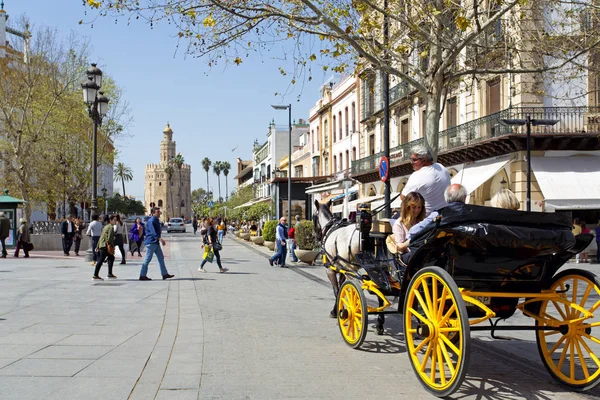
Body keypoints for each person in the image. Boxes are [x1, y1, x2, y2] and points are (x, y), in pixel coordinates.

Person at [403, 184, 468, 262]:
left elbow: (416, 230)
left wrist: (408, 238)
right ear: (464, 198)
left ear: (446, 199)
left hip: (443, 254)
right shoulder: (473, 213)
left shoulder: (439, 214)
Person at [401, 145, 451, 216]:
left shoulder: (417, 175)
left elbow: (404, 197)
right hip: (445, 215)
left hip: (426, 218)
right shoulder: (442, 167)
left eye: (414, 160)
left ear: (424, 160)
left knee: (395, 220)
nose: (411, 162)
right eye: (411, 159)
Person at [139, 207, 174, 281]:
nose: (159, 213)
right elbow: (152, 231)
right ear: (153, 213)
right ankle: (142, 275)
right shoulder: (151, 220)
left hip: (155, 243)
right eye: (157, 212)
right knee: (147, 259)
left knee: (161, 258)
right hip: (151, 242)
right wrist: (159, 238)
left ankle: (164, 274)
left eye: (159, 212)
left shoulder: (156, 220)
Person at [93, 214, 118, 280]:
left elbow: (101, 236)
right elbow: (109, 238)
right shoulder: (110, 227)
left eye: (116, 220)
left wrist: (97, 246)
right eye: (114, 220)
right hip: (105, 246)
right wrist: (112, 246)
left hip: (102, 244)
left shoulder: (105, 226)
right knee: (101, 260)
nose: (116, 221)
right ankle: (95, 275)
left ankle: (110, 273)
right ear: (110, 220)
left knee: (111, 258)